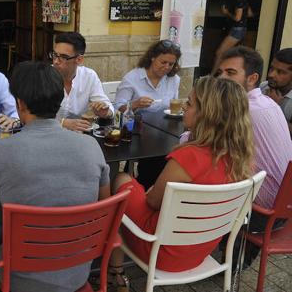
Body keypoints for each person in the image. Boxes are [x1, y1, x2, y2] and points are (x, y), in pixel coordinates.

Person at [0, 61, 110, 292]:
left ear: (20, 104)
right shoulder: (91, 147)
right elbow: (102, 206)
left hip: (20, 280)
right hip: (77, 273)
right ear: (59, 100)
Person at [109, 76, 254, 290]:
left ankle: (115, 271)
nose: (184, 107)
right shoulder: (242, 159)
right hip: (199, 251)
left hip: (161, 251)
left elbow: (153, 202)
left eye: (190, 103)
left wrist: (148, 191)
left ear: (208, 114)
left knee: (121, 179)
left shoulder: (190, 156)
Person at [215, 46, 291, 265]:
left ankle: (183, 253)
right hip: (285, 207)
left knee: (199, 177)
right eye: (220, 73)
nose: (221, 78)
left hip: (263, 215)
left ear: (252, 78)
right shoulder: (269, 103)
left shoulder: (242, 110)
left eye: (230, 73)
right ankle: (235, 255)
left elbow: (198, 144)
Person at [50, 32, 113, 132]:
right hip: (49, 134)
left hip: (80, 135)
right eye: (54, 55)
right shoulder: (45, 76)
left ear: (79, 59)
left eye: (63, 57)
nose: (56, 61)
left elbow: (109, 109)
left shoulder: (89, 76)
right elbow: (32, 116)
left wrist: (104, 112)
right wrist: (62, 123)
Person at [114, 40, 181, 113]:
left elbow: (174, 108)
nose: (166, 67)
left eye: (171, 64)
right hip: (138, 123)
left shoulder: (174, 79)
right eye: (163, 62)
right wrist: (135, 104)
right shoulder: (131, 79)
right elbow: (118, 109)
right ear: (152, 58)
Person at [214, 0, 249, 69]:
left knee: (220, 53)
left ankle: (213, 76)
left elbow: (237, 18)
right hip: (241, 29)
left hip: (237, 29)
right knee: (231, 54)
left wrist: (227, 13)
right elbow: (250, 13)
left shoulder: (239, 0)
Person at [260, 47, 292, 133]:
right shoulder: (263, 86)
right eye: (271, 68)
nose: (271, 75)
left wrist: (274, 108)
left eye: (280, 72)